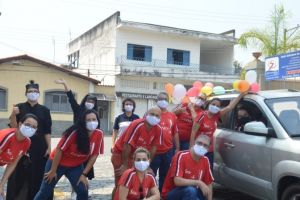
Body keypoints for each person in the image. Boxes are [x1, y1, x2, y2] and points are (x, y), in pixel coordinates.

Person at [34, 110, 104, 200]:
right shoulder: (74, 132)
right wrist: (53, 170)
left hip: (75, 166)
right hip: (57, 163)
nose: (91, 122)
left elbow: (94, 155)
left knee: (83, 190)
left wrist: (84, 174)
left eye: (94, 119)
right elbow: (59, 150)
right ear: (83, 121)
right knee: (44, 192)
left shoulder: (99, 134)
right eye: (88, 120)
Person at [8, 80, 52, 200]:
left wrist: (49, 147)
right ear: (26, 93)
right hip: (21, 146)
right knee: (19, 175)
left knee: (38, 175)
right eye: (30, 91)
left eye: (35, 91)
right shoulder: (19, 107)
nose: (33, 93)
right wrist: (13, 114)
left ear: (39, 93)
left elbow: (47, 131)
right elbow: (13, 127)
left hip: (39, 147)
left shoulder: (45, 110)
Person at [55, 79, 98, 198]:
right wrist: (65, 84)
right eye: (89, 100)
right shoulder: (78, 109)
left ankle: (82, 189)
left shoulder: (94, 114)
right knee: (75, 170)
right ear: (85, 100)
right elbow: (71, 98)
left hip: (88, 147)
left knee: (85, 170)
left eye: (93, 101)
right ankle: (74, 190)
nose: (90, 102)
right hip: (76, 143)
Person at [111, 106, 163, 198]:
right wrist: (124, 165)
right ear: (146, 114)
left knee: (140, 181)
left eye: (157, 116)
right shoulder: (137, 124)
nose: (154, 117)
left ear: (160, 118)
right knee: (120, 183)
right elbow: (127, 146)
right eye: (152, 114)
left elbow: (154, 148)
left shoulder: (159, 129)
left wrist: (147, 165)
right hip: (121, 153)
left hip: (138, 157)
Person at [190, 91, 247, 169]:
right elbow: (193, 132)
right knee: (196, 170)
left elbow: (230, 107)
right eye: (213, 104)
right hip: (199, 148)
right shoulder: (201, 116)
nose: (215, 107)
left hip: (209, 149)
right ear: (209, 104)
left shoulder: (216, 115)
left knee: (207, 171)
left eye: (217, 106)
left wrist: (241, 94)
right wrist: (191, 149)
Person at [162, 135, 213, 200]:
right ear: (194, 143)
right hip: (173, 193)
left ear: (208, 149)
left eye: (205, 145)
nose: (201, 146)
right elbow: (177, 181)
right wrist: (198, 182)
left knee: (200, 192)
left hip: (193, 192)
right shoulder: (181, 155)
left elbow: (209, 183)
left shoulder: (205, 160)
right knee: (190, 190)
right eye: (199, 143)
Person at [0, 114, 37, 198]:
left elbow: (13, 163)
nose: (30, 128)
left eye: (34, 127)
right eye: (27, 124)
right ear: (20, 124)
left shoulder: (27, 142)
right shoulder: (8, 136)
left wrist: (2, 185)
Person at [150, 92, 179, 192]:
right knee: (151, 173)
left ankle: (162, 193)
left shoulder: (172, 116)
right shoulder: (151, 114)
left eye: (165, 99)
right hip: (153, 151)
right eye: (161, 99)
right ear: (156, 100)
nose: (163, 101)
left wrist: (178, 148)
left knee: (165, 174)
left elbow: (175, 132)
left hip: (168, 151)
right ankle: (150, 193)